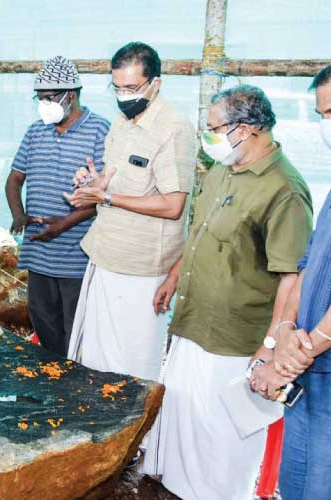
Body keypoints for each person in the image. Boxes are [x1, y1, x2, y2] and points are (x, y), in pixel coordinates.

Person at [139, 84, 313, 499]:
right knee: (185, 413)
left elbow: (293, 277)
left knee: (222, 434)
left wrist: (272, 344)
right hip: (194, 319)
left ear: (248, 128)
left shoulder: (284, 190)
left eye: (216, 128)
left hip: (236, 337)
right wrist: (174, 278)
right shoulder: (221, 171)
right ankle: (178, 486)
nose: (210, 137)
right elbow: (198, 236)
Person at [65, 42, 197, 381]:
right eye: (117, 87)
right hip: (105, 254)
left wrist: (107, 198)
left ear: (156, 83)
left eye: (132, 88)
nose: (124, 95)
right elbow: (115, 181)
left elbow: (173, 204)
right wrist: (94, 183)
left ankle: (135, 434)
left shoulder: (173, 129)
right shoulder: (120, 123)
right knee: (93, 362)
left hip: (140, 271)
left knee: (130, 372)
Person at [251, 65, 331, 500]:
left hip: (314, 362)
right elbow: (306, 268)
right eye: (322, 115)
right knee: (295, 483)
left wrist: (287, 358)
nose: (325, 126)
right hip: (309, 368)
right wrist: (282, 333)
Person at [5, 56, 110, 356]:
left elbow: (104, 196)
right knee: (45, 325)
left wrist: (64, 223)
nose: (43, 105)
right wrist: (18, 214)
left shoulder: (100, 131)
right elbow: (14, 180)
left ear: (71, 96)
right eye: (39, 99)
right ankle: (52, 385)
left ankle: (74, 389)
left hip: (77, 255)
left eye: (50, 98)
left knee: (77, 330)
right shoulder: (35, 132)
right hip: (38, 252)